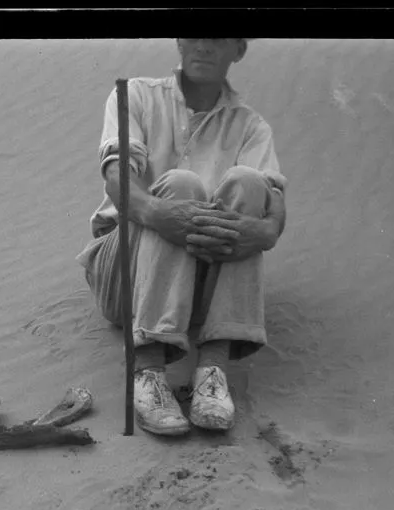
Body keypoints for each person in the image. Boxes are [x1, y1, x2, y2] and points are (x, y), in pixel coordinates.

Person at [75, 38, 287, 436]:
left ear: (238, 50)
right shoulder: (134, 94)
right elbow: (117, 176)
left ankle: (213, 371)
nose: (203, 47)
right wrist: (159, 212)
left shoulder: (251, 126)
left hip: (196, 288)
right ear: (178, 41)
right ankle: (148, 372)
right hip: (122, 274)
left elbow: (273, 207)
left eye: (218, 38)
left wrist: (266, 231)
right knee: (182, 185)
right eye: (194, 33)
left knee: (248, 182)